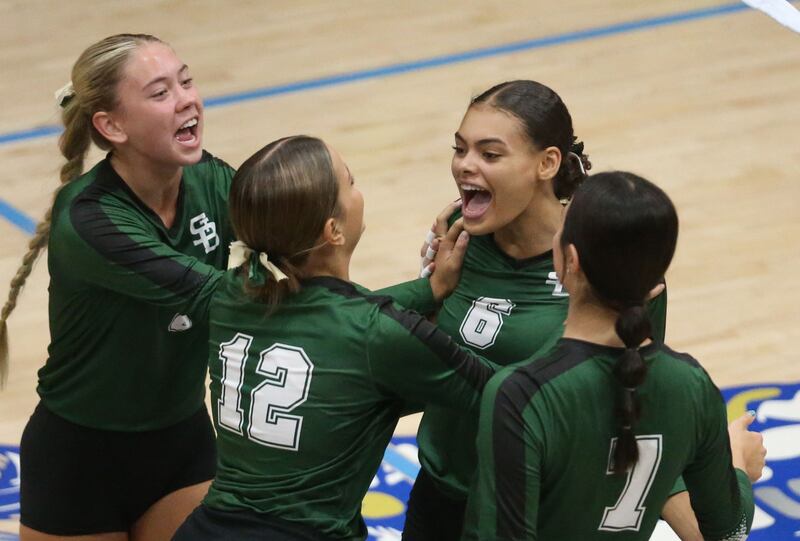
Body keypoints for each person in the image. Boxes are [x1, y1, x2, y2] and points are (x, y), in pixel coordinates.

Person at [173, 135, 500, 541]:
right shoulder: (374, 332)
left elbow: (325, 316)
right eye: (351, 182)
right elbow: (504, 393)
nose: (358, 191)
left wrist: (428, 290)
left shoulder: (231, 292)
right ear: (333, 230)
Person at [403, 80, 674, 541]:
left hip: (540, 511)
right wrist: (426, 292)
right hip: (443, 494)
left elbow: (632, 403)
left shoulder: (603, 255)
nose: (465, 165)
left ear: (547, 163)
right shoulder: (457, 235)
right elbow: (424, 362)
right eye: (460, 148)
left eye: (490, 155)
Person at [1, 34, 236, 540]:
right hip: (81, 461)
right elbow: (218, 294)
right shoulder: (91, 221)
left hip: (182, 444)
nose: (186, 98)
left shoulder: (210, 179)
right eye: (159, 92)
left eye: (186, 80)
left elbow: (289, 227)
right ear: (111, 125)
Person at [463, 171, 765, 540]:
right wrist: (736, 467)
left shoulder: (520, 394)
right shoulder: (693, 383)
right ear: (657, 276)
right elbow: (728, 533)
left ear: (568, 259)